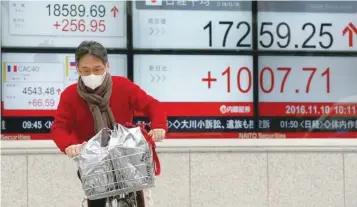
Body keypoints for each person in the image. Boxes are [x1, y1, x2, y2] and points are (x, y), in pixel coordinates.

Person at [51, 40, 167, 207]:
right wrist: (70, 145)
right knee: (96, 198)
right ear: (77, 69)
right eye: (85, 70)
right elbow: (59, 127)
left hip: (127, 157)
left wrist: (158, 126)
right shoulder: (70, 95)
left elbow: (152, 106)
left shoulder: (123, 86)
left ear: (107, 66)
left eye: (97, 69)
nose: (92, 74)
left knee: (137, 197)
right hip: (93, 162)